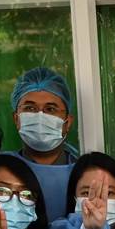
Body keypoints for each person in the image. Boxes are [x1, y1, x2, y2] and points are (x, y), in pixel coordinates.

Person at [7, 67, 78, 220]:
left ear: (67, 122)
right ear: (16, 119)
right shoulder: (0, 172)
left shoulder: (84, 174)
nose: (40, 116)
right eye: (30, 108)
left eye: (50, 109)